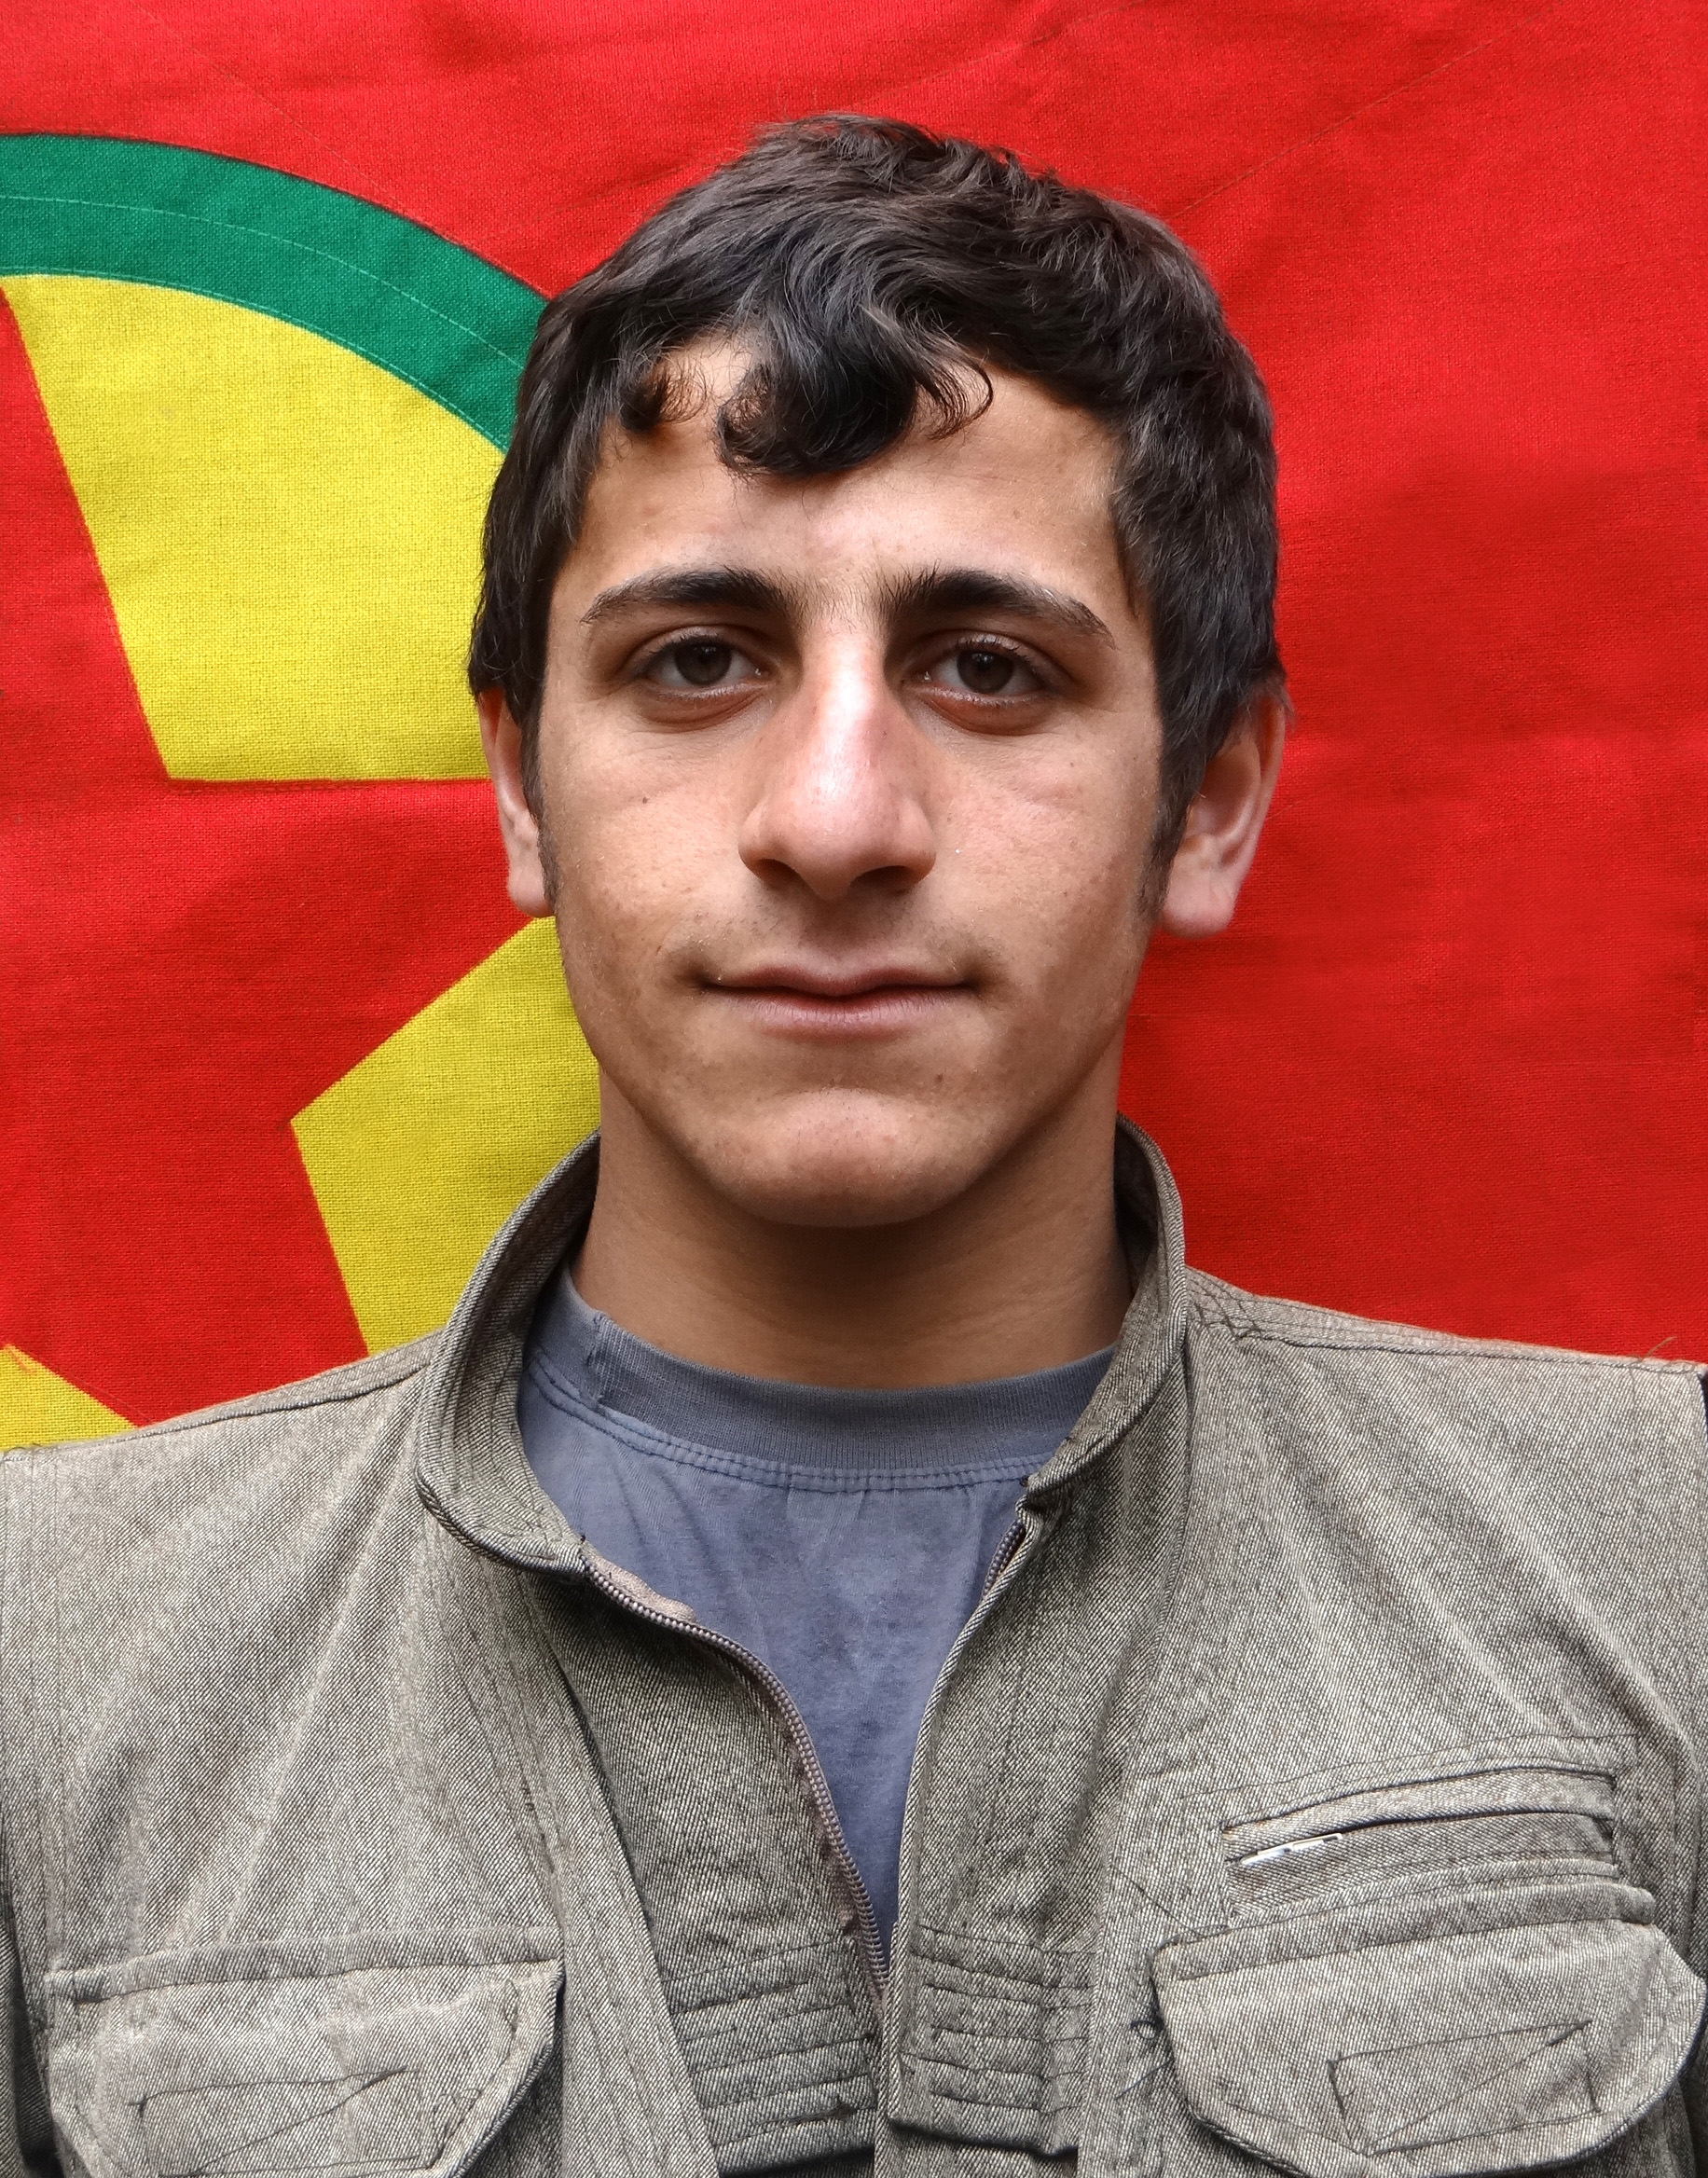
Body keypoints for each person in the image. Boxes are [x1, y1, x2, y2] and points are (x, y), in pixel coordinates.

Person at [3, 115, 1705, 2178]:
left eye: (987, 670)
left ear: (1211, 798)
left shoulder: (1661, 1563)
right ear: (522, 787)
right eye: (695, 662)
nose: (834, 821)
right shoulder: (49, 1656)